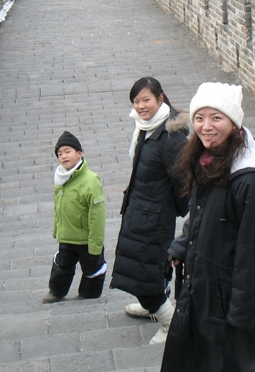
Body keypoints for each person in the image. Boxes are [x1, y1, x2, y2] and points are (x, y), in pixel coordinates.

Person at [160, 83, 255, 372]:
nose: (206, 127)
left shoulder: (251, 183)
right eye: (200, 118)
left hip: (228, 306)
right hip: (202, 290)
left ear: (233, 122)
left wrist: (240, 318)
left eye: (216, 118)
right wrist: (182, 246)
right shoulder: (208, 159)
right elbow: (201, 215)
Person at [110, 77, 189, 344]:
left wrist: (168, 211)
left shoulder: (170, 137)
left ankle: (169, 323)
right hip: (140, 211)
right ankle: (151, 306)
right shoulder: (147, 127)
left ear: (160, 98)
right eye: (136, 101)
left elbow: (183, 184)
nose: (141, 106)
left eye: (146, 100)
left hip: (153, 217)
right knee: (145, 266)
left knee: (144, 270)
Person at [43, 131, 107, 303]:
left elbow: (97, 215)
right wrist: (58, 230)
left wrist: (96, 242)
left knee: (93, 268)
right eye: (60, 153)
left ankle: (89, 294)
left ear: (79, 153)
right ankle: (56, 291)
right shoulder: (60, 177)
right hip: (67, 236)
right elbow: (59, 207)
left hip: (86, 238)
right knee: (62, 265)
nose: (63, 156)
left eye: (67, 151)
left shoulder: (91, 179)